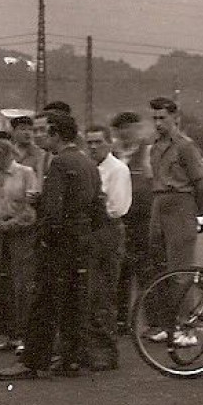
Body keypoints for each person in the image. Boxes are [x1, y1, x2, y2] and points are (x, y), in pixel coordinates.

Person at [0, 112, 104, 380]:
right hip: (82, 240)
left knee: (43, 303)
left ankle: (32, 361)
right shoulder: (88, 163)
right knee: (73, 303)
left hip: (58, 243)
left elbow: (54, 211)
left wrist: (41, 221)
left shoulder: (58, 164)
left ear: (56, 135)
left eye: (45, 131)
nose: (40, 135)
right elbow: (98, 208)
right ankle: (71, 361)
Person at [143, 97, 203, 343]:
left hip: (181, 204)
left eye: (163, 118)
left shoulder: (185, 146)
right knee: (159, 267)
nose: (158, 123)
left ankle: (187, 329)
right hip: (159, 203)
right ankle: (167, 325)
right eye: (155, 118)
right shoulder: (155, 146)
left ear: (175, 118)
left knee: (181, 270)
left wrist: (197, 212)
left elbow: (202, 184)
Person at [0, 136, 38, 355]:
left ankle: (25, 336)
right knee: (3, 286)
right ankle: (11, 335)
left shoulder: (25, 174)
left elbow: (30, 209)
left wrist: (9, 225)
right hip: (0, 236)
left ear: (5, 153)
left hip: (21, 237)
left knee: (22, 286)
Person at [85, 125, 132, 371]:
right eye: (89, 142)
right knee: (89, 292)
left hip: (108, 231)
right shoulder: (88, 167)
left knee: (103, 291)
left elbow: (117, 208)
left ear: (108, 143)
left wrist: (95, 204)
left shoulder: (118, 170)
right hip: (91, 231)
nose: (93, 147)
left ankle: (106, 351)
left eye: (97, 142)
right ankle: (89, 348)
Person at [112, 110, 152, 331]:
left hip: (143, 220)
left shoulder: (147, 152)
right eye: (122, 129)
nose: (126, 132)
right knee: (120, 271)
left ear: (138, 128)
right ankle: (120, 321)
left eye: (130, 127)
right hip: (120, 219)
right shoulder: (114, 154)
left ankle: (151, 323)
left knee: (145, 271)